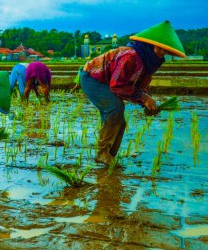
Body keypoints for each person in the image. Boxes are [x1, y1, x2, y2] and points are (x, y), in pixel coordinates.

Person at [78, 20, 186, 166]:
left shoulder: (151, 63)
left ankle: (110, 156)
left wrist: (146, 104)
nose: (162, 52)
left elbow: (141, 88)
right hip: (93, 78)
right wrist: (143, 98)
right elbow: (117, 86)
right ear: (149, 44)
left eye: (165, 50)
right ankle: (102, 153)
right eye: (159, 47)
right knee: (115, 108)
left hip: (108, 82)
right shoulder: (131, 56)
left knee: (120, 122)